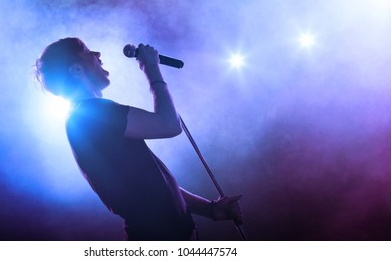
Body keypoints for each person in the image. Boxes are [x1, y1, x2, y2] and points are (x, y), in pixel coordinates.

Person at [34, 37, 243, 240]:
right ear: (76, 69)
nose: (98, 54)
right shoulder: (91, 113)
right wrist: (151, 68)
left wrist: (210, 209)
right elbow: (169, 125)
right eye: (88, 52)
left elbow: (153, 186)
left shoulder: (86, 116)